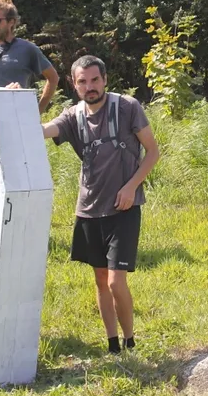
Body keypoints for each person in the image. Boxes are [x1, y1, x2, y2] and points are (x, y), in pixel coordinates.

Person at [42, 56, 159, 354]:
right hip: (89, 210)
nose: (89, 87)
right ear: (74, 84)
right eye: (82, 81)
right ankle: (112, 345)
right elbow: (41, 130)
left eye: (94, 80)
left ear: (105, 79)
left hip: (123, 208)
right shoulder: (72, 116)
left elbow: (153, 152)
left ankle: (130, 340)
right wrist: (15, 102)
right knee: (100, 279)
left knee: (115, 282)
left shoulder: (127, 107)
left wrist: (131, 187)